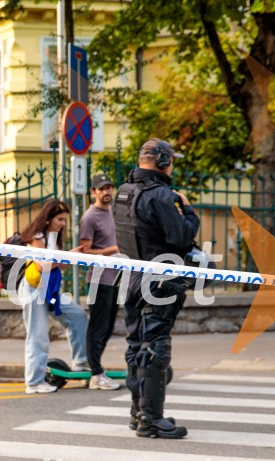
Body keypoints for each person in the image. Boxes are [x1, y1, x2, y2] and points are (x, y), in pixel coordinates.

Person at [113, 138, 200, 439]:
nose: (172, 164)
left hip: (133, 276)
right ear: (163, 162)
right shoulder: (163, 196)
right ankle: (151, 419)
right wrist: (188, 211)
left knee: (136, 345)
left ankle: (138, 414)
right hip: (160, 278)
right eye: (171, 160)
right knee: (155, 346)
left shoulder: (123, 192)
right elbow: (180, 237)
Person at [19, 199, 89, 394]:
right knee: (38, 335)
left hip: (49, 290)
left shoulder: (53, 237)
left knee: (78, 316)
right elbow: (43, 265)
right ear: (48, 218)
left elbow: (60, 264)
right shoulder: (37, 236)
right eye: (60, 219)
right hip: (34, 290)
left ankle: (81, 363)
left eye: (65, 220)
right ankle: (34, 382)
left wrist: (72, 256)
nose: (63, 223)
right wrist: (66, 256)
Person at [79, 173, 121, 391]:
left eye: (109, 187)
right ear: (93, 192)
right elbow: (85, 251)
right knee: (98, 326)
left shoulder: (114, 212)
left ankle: (96, 367)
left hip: (114, 278)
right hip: (98, 278)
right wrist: (112, 250)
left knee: (108, 327)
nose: (106, 192)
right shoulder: (90, 217)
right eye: (101, 188)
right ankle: (96, 373)